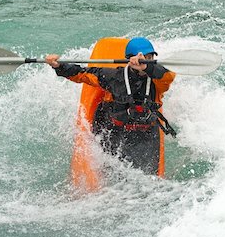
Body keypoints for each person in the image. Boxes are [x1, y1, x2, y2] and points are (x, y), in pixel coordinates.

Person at [46, 37, 176, 175]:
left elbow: (168, 76)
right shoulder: (114, 76)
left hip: (144, 136)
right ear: (129, 59)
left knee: (147, 181)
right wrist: (59, 66)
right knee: (110, 175)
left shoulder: (158, 82)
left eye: (148, 57)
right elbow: (82, 74)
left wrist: (147, 66)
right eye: (140, 57)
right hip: (114, 132)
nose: (143, 60)